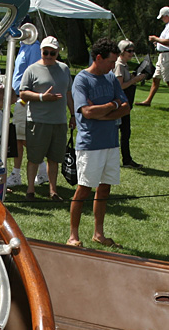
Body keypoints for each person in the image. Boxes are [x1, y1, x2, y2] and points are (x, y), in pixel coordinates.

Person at [68, 38, 129, 248]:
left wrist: (106, 109)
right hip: (90, 144)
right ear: (99, 58)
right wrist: (112, 107)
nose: (113, 66)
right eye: (111, 61)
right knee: (83, 189)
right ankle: (73, 236)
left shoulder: (111, 79)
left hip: (111, 143)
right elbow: (86, 111)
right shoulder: (81, 80)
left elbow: (125, 107)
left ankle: (98, 234)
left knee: (104, 189)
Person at [19, 36, 73, 201]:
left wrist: (73, 115)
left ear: (57, 53)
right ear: (41, 51)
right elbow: (23, 93)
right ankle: (30, 190)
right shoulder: (32, 69)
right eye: (45, 52)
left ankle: (53, 191)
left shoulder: (64, 69)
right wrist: (42, 97)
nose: (49, 56)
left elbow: (69, 93)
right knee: (34, 157)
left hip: (59, 122)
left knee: (55, 158)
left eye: (52, 53)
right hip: (38, 121)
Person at [8, 30, 42, 188]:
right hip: (18, 97)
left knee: (21, 138)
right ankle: (40, 171)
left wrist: (25, 98)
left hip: (25, 99)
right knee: (20, 138)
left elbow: (34, 75)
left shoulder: (33, 47)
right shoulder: (22, 46)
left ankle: (24, 173)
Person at [136, 6, 169, 108]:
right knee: (156, 78)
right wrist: (158, 43)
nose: (162, 20)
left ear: (166, 16)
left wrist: (155, 38)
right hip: (163, 55)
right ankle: (148, 100)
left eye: (162, 17)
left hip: (168, 55)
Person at [113, 39, 147, 168]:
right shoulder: (119, 65)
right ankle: (122, 159)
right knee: (120, 132)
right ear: (122, 51)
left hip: (126, 104)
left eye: (133, 51)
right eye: (129, 51)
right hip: (120, 104)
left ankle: (127, 159)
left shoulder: (124, 65)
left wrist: (133, 77)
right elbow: (120, 86)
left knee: (126, 132)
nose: (132, 54)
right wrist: (135, 80)